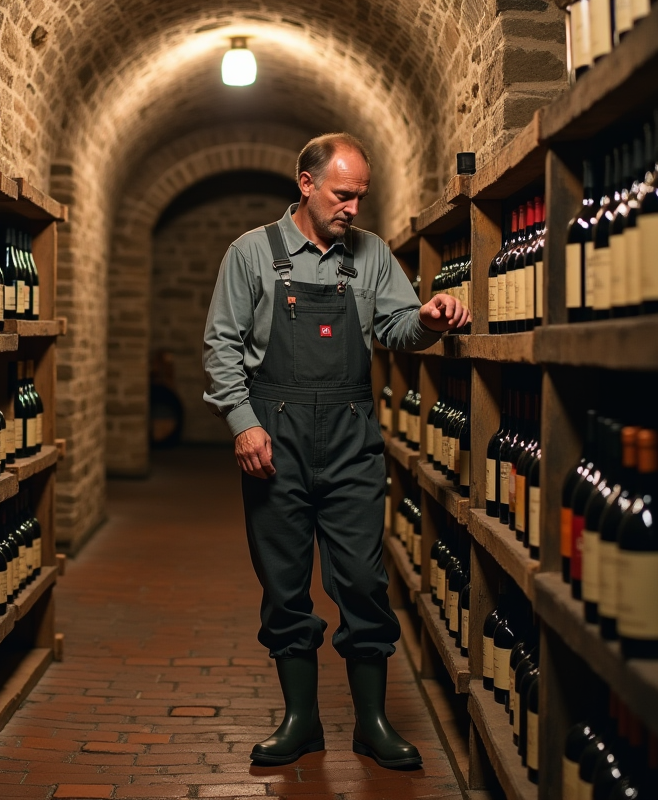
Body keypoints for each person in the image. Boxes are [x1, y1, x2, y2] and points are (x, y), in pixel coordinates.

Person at [202, 133, 470, 768]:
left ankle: (372, 722)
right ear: (306, 184)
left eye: (360, 196)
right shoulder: (251, 253)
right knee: (285, 585)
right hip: (275, 436)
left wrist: (429, 317)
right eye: (342, 194)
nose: (353, 207)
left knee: (361, 581)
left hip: (353, 438)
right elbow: (221, 347)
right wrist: (243, 424)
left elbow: (399, 329)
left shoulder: (372, 255)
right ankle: (301, 722)